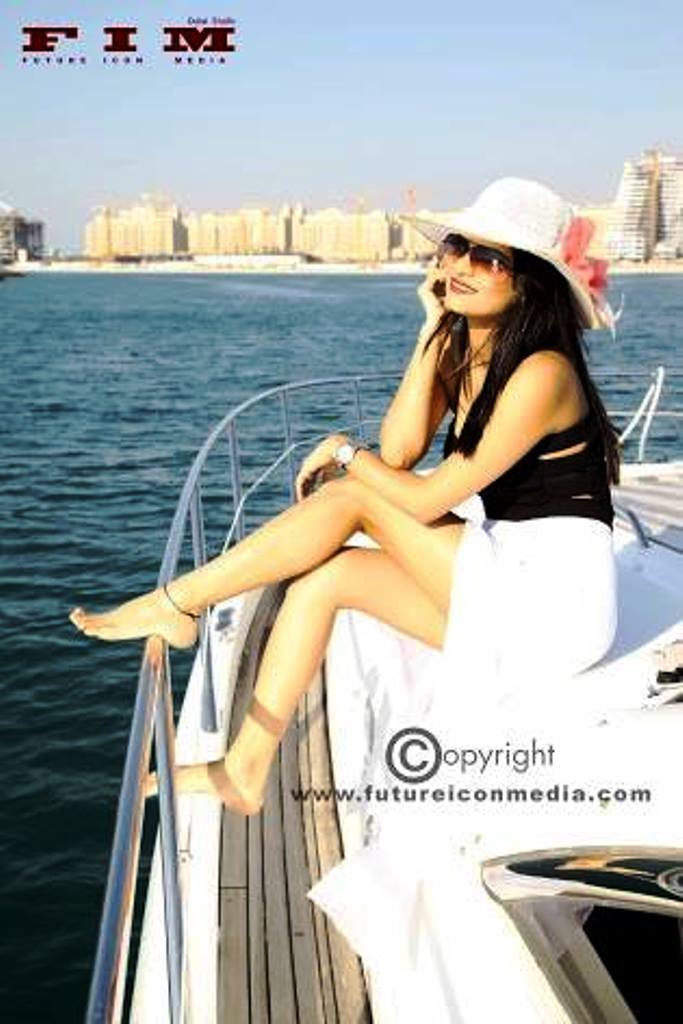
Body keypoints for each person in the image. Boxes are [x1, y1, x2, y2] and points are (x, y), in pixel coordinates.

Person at [69, 177, 621, 814]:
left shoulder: (544, 372)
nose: (461, 266)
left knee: (351, 497)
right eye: (456, 247)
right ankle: (244, 771)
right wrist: (431, 329)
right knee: (324, 580)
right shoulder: (464, 350)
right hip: (509, 578)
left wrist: (341, 452)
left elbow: (420, 498)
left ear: (528, 284)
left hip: (557, 604)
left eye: (489, 258)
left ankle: (174, 603)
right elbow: (400, 449)